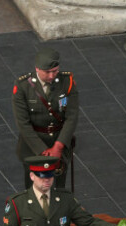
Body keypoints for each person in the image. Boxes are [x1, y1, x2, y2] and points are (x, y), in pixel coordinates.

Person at [12, 47, 79, 189]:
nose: (51, 76)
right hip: (33, 147)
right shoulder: (23, 86)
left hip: (58, 141)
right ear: (37, 69)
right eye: (47, 72)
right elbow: (23, 124)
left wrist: (58, 147)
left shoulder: (67, 82)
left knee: (59, 189)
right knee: (33, 188)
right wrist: (43, 151)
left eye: (55, 71)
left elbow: (71, 117)